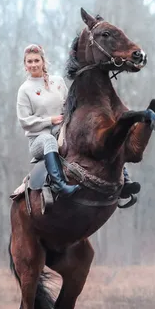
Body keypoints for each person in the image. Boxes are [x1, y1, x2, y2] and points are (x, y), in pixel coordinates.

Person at [16, 44, 140, 199]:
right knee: (49, 140)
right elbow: (25, 121)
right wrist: (50, 120)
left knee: (97, 134)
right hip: (39, 139)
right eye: (29, 62)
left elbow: (71, 103)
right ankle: (59, 184)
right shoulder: (25, 90)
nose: (33, 65)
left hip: (61, 129)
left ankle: (124, 178)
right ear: (25, 65)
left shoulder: (58, 82)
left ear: (43, 62)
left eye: (36, 60)